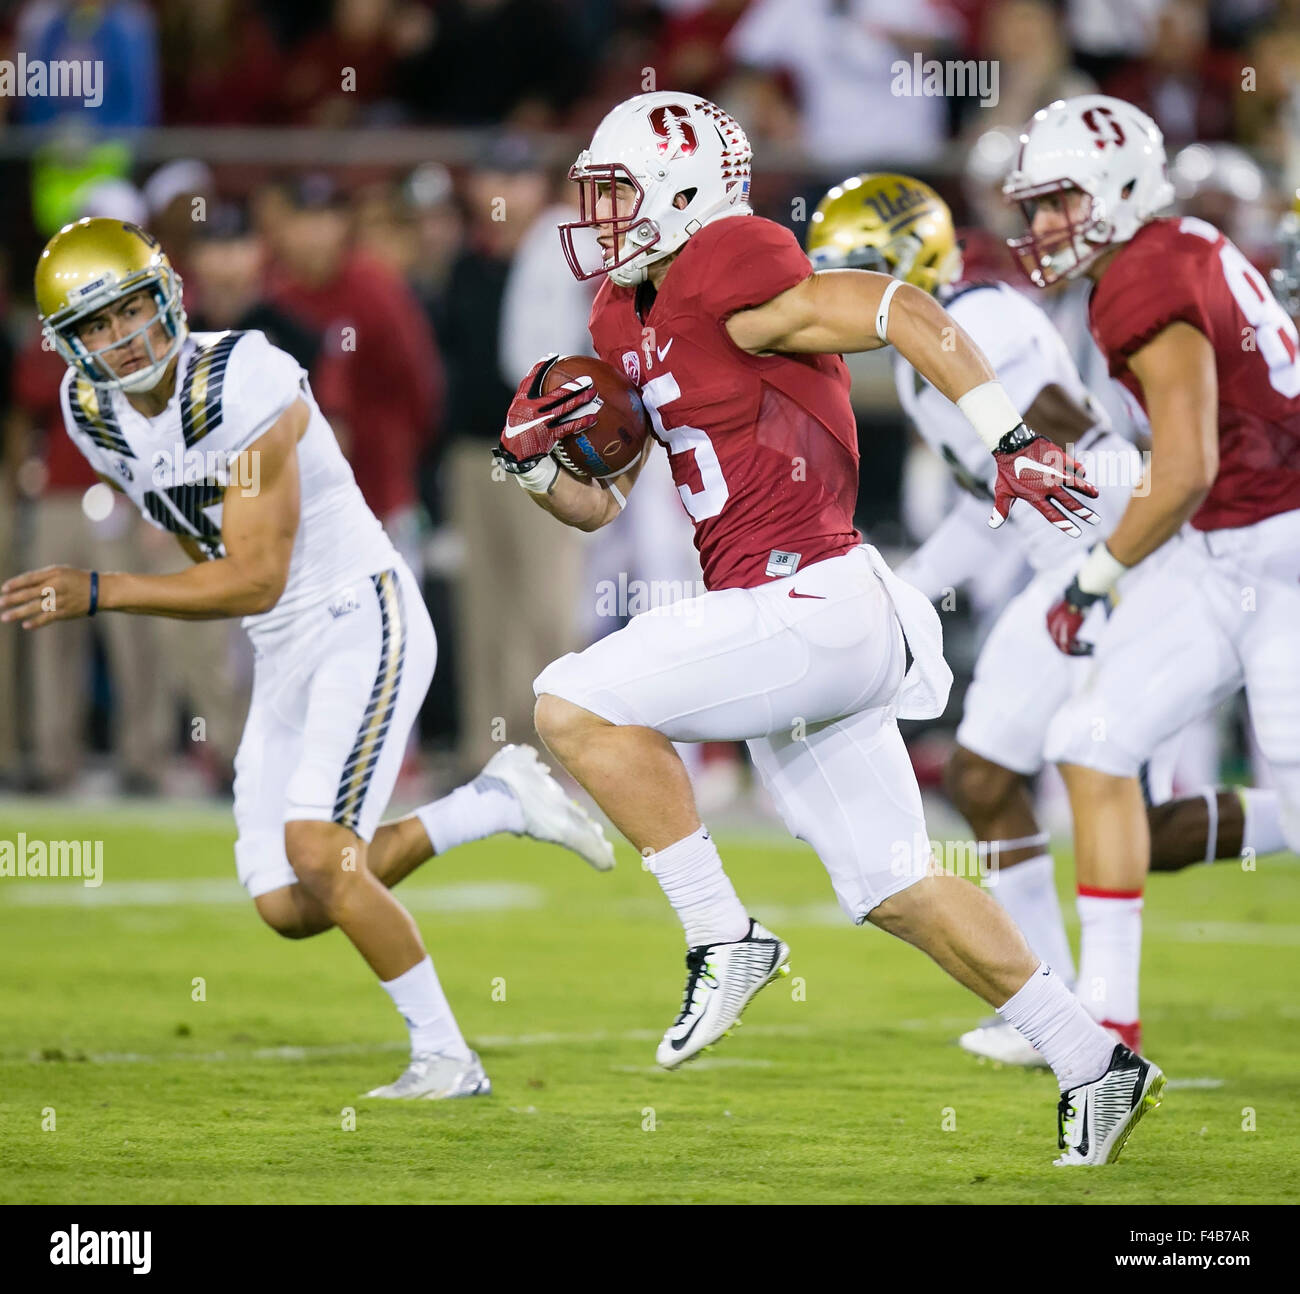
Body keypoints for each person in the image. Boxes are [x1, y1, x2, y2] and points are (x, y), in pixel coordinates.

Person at [497, 91, 1163, 1165]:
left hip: (807, 598)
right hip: (787, 615)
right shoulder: (620, 318)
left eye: (620, 192)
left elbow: (907, 310)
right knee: (895, 886)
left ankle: (722, 932)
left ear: (682, 193)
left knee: (568, 702)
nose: (605, 216)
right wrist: (537, 467)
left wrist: (1007, 439)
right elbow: (603, 501)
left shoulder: (733, 267)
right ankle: (1094, 1059)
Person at [2, 217, 615, 1101]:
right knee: (289, 903)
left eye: (132, 307)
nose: (122, 336)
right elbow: (203, 541)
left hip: (357, 614)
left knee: (321, 852)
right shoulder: (87, 408)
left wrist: (99, 589)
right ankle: (490, 805)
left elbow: (252, 576)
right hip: (284, 645)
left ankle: (448, 1059)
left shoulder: (242, 379)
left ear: (168, 293)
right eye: (95, 325)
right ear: (68, 345)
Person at [807, 171, 1291, 1066]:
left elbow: (1064, 458)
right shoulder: (936, 352)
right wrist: (906, 583)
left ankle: (1275, 832)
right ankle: (1055, 1003)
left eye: (850, 274)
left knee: (1121, 809)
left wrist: (1105, 571)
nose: (832, 301)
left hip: (1110, 558)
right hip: (1063, 564)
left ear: (897, 264)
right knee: (991, 779)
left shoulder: (984, 326)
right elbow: (982, 499)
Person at [1004, 93, 1300, 1054]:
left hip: (1283, 549)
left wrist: (1097, 577)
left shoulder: (1143, 277)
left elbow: (1185, 467)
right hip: (1234, 544)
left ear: (1122, 190)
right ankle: (1106, 1030)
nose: (1044, 226)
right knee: (1090, 737)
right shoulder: (1175, 247)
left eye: (1060, 202)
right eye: (1035, 206)